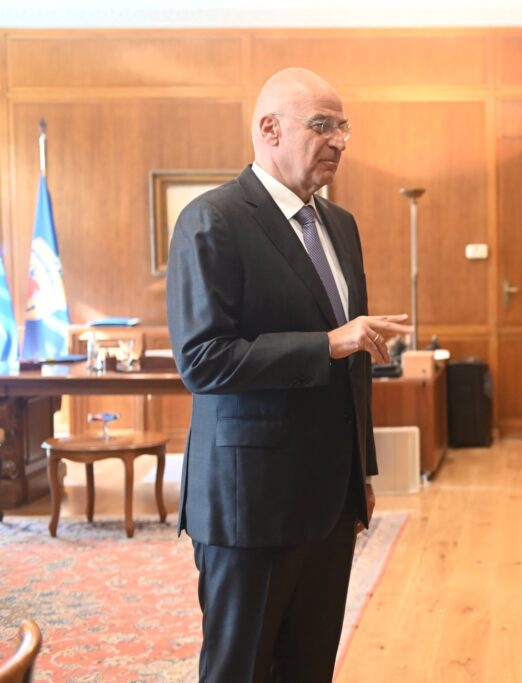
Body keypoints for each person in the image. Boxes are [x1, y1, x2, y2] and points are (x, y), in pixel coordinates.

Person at [166, 67, 412, 682]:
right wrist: (326, 344)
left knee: (309, 669)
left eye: (344, 126)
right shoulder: (213, 219)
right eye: (322, 125)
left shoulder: (341, 225)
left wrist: (362, 473)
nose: (339, 141)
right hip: (250, 505)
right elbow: (203, 359)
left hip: (330, 502)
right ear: (269, 129)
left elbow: (354, 366)